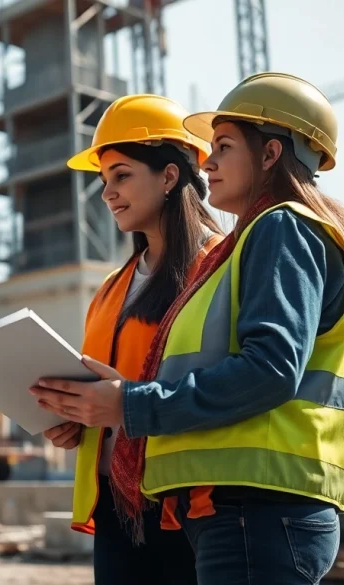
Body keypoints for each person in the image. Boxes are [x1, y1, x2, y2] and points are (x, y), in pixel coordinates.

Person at [31, 72, 344, 585]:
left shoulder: (273, 231)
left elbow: (269, 368)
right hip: (221, 502)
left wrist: (128, 404)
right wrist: (89, 411)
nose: (208, 162)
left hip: (252, 506)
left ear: (269, 155)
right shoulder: (237, 249)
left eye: (222, 146)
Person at [42, 94, 223, 584]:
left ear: (169, 176)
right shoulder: (110, 289)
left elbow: (229, 383)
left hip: (190, 509)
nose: (107, 193)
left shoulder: (220, 268)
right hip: (116, 507)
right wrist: (75, 418)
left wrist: (123, 404)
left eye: (121, 175)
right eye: (104, 181)